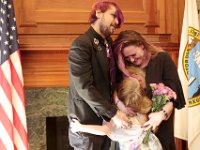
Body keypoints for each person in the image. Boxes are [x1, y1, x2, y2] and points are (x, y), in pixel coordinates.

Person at [68, 1, 130, 150]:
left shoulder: (108, 43)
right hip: (86, 128)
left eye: (118, 20)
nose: (116, 22)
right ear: (98, 13)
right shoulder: (81, 44)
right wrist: (113, 113)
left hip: (105, 125)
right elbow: (84, 87)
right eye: (113, 16)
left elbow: (111, 81)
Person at [113, 30, 186, 150]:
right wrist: (120, 104)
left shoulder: (162, 59)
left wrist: (161, 114)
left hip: (159, 126)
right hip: (131, 134)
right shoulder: (123, 66)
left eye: (134, 55)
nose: (131, 60)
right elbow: (112, 90)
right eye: (127, 57)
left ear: (142, 45)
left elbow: (174, 94)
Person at [70, 76, 163, 150]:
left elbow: (104, 130)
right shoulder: (139, 109)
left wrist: (81, 127)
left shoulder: (117, 116)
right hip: (151, 145)